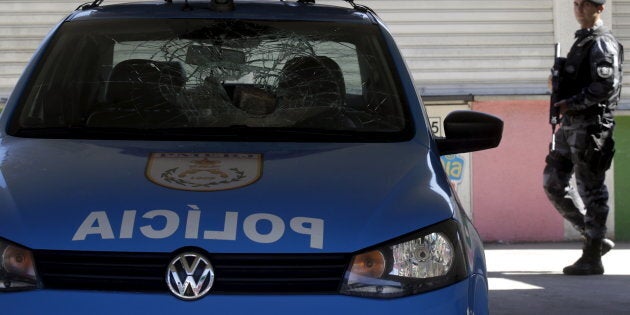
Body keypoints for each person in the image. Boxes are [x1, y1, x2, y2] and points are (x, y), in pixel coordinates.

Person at [543, 0, 623, 275]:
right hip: (571, 125)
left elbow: (605, 85)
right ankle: (593, 237)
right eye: (576, 4)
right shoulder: (582, 41)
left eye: (585, 4)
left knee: (592, 190)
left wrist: (571, 103)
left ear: (599, 8)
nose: (578, 9)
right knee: (553, 182)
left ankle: (592, 256)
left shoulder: (602, 43)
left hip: (591, 125)